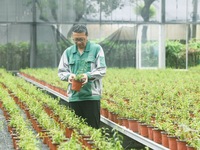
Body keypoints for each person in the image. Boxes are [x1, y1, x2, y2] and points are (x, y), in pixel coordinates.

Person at [58, 24, 106, 129]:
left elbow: (102, 70)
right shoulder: (68, 52)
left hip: (92, 97)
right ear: (72, 38)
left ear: (87, 36)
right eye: (76, 39)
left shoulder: (96, 49)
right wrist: (69, 76)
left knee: (93, 130)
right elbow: (61, 71)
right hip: (74, 97)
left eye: (81, 39)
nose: (79, 42)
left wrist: (88, 76)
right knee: (76, 130)